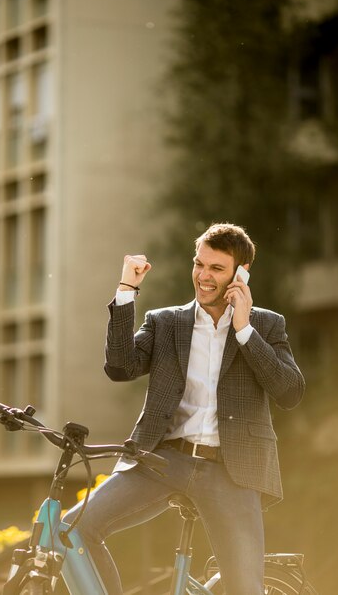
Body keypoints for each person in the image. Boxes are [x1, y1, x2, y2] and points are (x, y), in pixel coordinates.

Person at [64, 222, 305, 595]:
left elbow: (289, 392)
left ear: (241, 274)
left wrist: (244, 330)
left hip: (232, 470)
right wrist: (127, 290)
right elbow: (119, 367)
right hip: (162, 461)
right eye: (199, 264)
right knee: (76, 527)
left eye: (216, 269)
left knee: (244, 587)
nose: (203, 277)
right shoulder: (165, 322)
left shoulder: (266, 325)